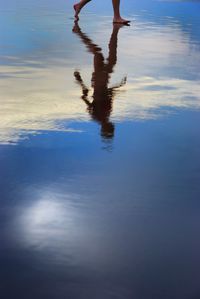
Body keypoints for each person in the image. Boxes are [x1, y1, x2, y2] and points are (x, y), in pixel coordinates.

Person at [73, 22, 127, 139]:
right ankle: (115, 32)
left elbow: (85, 97)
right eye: (111, 128)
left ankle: (79, 32)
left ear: (105, 128)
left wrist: (80, 80)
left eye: (110, 128)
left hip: (98, 80)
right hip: (103, 80)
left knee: (98, 53)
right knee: (109, 58)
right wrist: (119, 86)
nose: (112, 126)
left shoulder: (96, 116)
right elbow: (109, 93)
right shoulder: (106, 114)